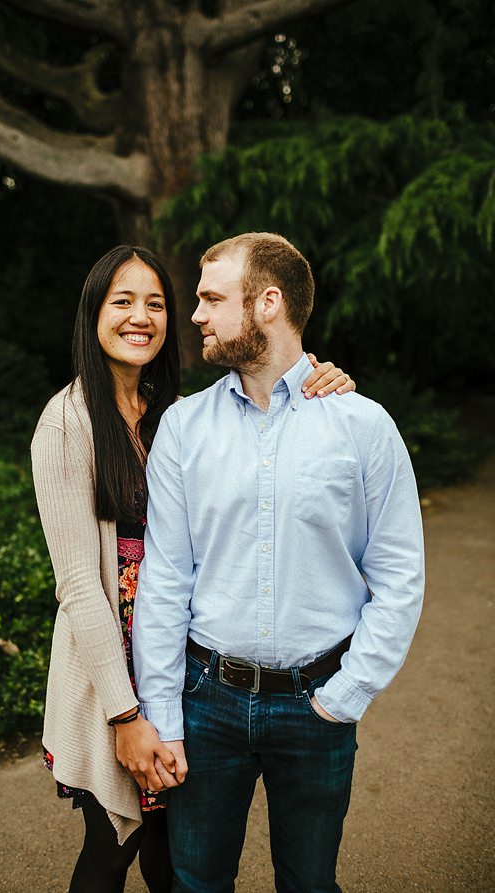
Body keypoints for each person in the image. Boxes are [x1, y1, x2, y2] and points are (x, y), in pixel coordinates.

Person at [30, 245, 354, 893]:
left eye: (155, 302)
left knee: (172, 846)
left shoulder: (177, 408)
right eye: (122, 300)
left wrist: (319, 377)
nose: (140, 316)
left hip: (186, 663)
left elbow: (269, 413)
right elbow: (78, 588)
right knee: (111, 843)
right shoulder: (67, 421)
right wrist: (126, 716)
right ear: (92, 312)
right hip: (112, 670)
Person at [131, 232, 425, 893]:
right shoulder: (184, 427)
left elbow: (400, 574)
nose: (197, 315)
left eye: (211, 298)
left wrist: (345, 696)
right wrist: (166, 716)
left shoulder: (363, 425)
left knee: (310, 882)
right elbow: (165, 578)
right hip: (207, 701)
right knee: (197, 882)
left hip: (318, 702)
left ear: (267, 303)